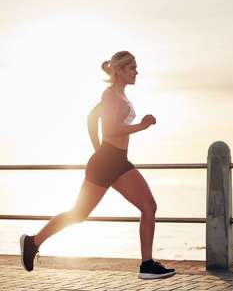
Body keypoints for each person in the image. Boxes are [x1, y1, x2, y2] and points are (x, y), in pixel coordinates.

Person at [20, 50, 176, 279]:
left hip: (117, 161)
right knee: (78, 214)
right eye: (132, 68)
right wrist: (140, 126)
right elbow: (111, 130)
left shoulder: (118, 95)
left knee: (148, 206)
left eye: (136, 67)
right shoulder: (110, 96)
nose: (136, 72)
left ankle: (147, 264)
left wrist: (99, 149)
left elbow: (91, 118)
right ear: (120, 70)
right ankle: (32, 242)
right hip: (106, 162)